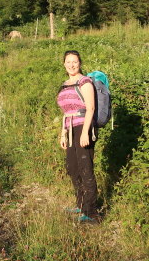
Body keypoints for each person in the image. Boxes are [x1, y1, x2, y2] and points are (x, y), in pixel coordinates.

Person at [57, 49, 99, 223]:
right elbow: (66, 112)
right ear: (64, 64)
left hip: (83, 127)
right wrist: (63, 134)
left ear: (79, 63)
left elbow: (90, 108)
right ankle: (81, 205)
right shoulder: (65, 84)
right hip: (70, 129)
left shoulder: (85, 82)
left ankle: (92, 213)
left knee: (85, 168)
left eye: (74, 61)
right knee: (73, 169)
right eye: (68, 62)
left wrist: (85, 132)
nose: (71, 64)